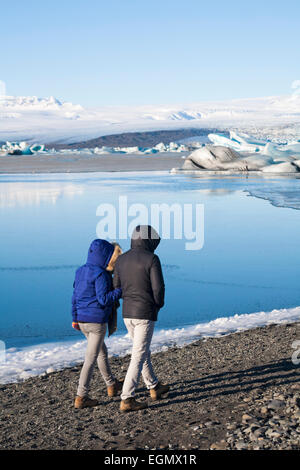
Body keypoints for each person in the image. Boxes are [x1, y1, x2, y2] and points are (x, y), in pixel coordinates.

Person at [114, 225, 169, 412]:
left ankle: (154, 386)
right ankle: (127, 398)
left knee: (141, 351)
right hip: (144, 313)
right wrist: (157, 304)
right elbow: (158, 288)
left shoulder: (121, 260)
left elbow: (117, 287)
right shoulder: (152, 259)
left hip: (127, 314)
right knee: (138, 355)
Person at [72, 239, 123, 409]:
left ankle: (111, 384)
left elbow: (74, 297)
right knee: (90, 359)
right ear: (105, 256)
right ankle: (81, 396)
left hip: (82, 320)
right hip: (96, 322)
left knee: (102, 351)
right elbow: (103, 299)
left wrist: (74, 318)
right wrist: (120, 291)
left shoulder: (80, 271)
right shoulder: (100, 274)